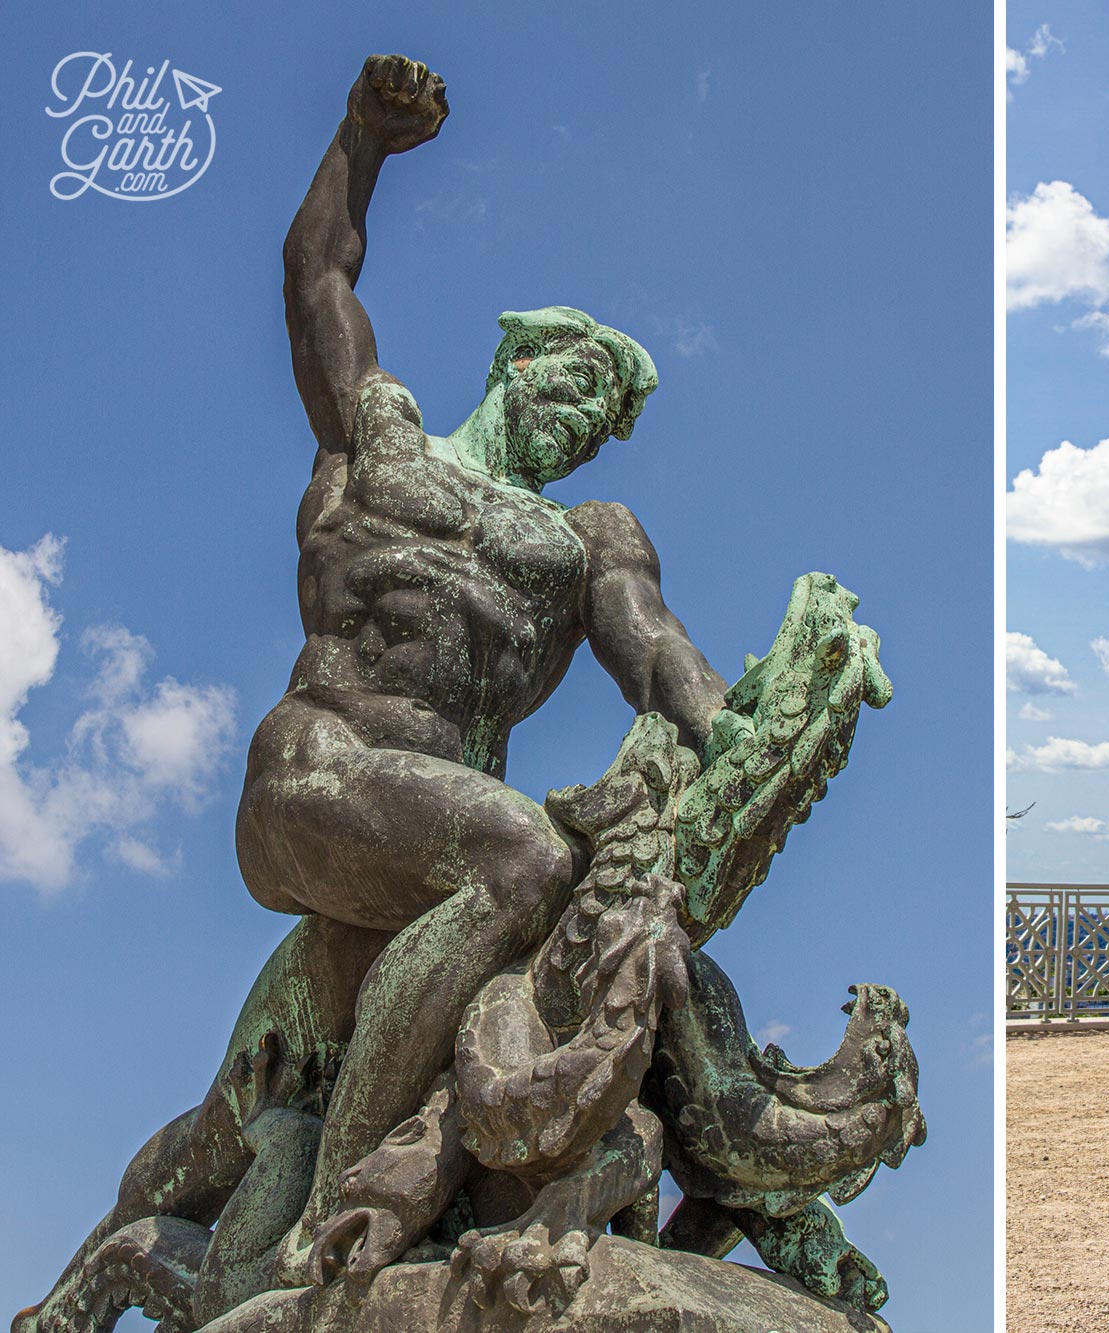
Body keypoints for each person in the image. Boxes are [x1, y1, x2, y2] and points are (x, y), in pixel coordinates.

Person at [15, 56, 729, 1326]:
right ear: (519, 362)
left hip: (426, 842)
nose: (587, 422)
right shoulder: (376, 433)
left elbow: (661, 653)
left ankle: (99, 1273)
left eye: (609, 417)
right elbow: (315, 280)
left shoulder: (584, 542)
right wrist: (361, 141)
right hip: (315, 774)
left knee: (236, 1117)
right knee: (523, 852)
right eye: (577, 384)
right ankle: (338, 1212)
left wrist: (747, 737)